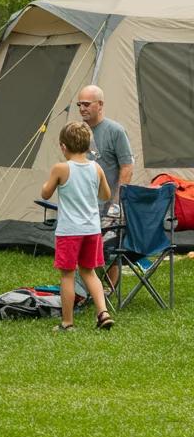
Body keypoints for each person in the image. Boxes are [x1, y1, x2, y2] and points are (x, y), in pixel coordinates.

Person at [41, 121, 115, 331]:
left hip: (69, 231)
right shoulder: (96, 168)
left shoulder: (61, 168)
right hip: (92, 230)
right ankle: (103, 313)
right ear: (87, 145)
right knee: (89, 272)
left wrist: (48, 184)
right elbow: (106, 195)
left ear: (63, 146)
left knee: (67, 275)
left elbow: (45, 193)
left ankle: (67, 322)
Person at [76, 84, 134, 291]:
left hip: (110, 204)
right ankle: (85, 290)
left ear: (100, 105)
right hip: (85, 202)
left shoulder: (115, 131)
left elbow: (127, 166)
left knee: (109, 250)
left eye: (86, 104)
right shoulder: (79, 131)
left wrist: (117, 203)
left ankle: (109, 290)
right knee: (82, 247)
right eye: (79, 104)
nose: (82, 108)